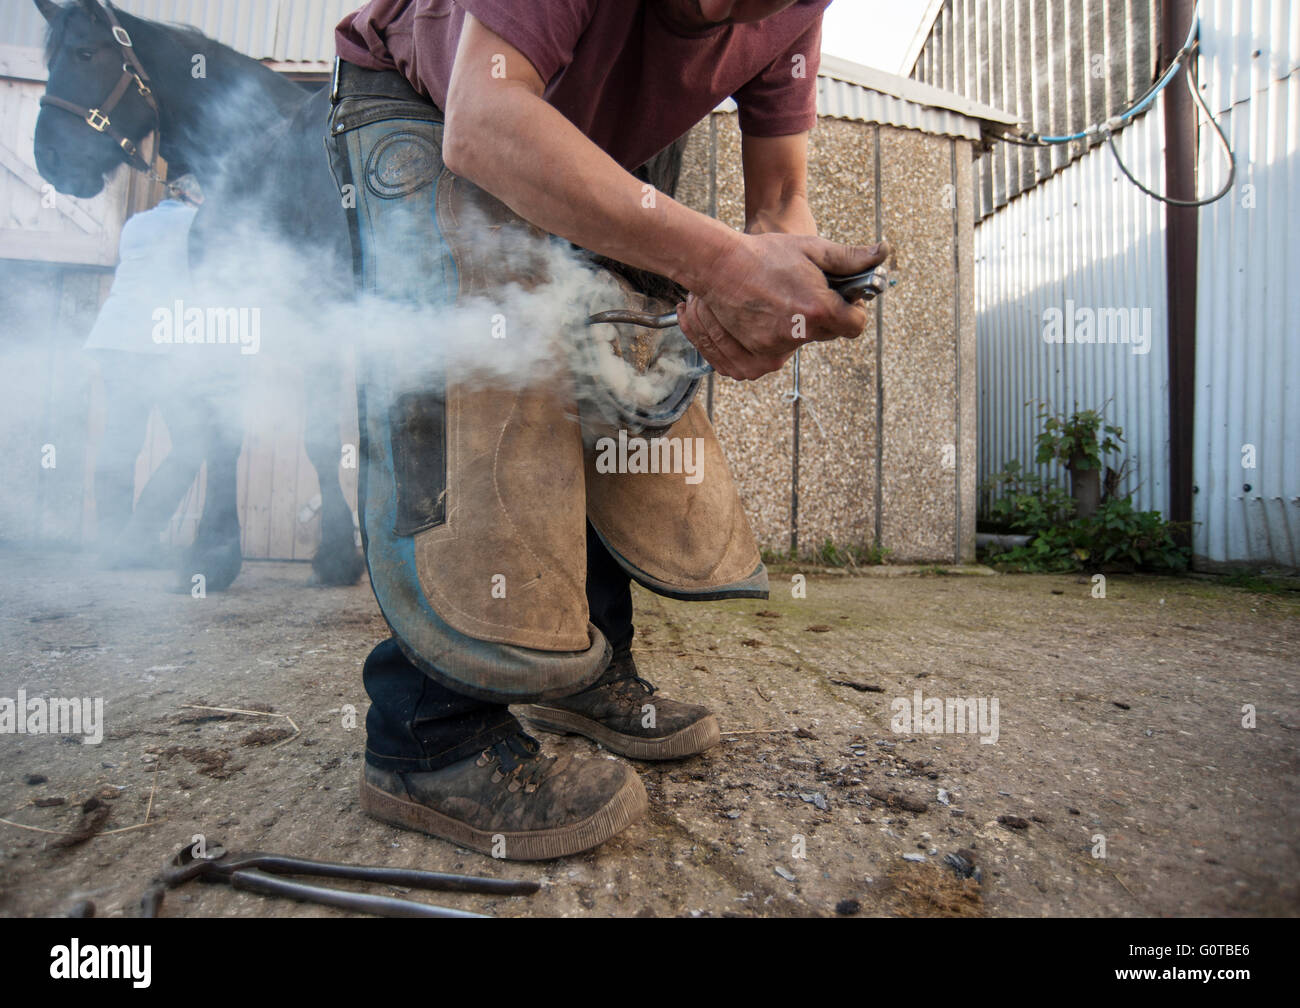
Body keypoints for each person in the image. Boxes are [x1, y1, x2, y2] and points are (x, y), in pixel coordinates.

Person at [330, 0, 887, 860]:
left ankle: (580, 668)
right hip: (435, 101)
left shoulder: (796, 11)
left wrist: (791, 299)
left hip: (596, 136)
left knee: (609, 369)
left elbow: (781, 200)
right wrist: (714, 262)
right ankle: (426, 737)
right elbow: (486, 120)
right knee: (481, 368)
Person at [85, 177, 211, 568]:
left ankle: (113, 545)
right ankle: (137, 540)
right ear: (197, 196)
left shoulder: (136, 224)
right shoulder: (197, 226)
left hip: (116, 340)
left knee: (120, 442)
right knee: (193, 444)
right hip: (160, 347)